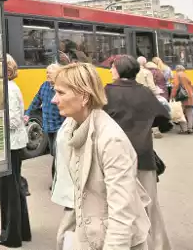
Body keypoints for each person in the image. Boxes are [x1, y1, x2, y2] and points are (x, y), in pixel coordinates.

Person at [51, 63, 150, 250]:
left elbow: (122, 212)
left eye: (61, 93)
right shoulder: (72, 128)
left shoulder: (111, 140)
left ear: (84, 97)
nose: (54, 100)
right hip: (90, 236)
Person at [104, 55, 172, 250]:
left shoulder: (108, 92)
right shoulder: (145, 92)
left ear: (118, 70)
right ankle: (158, 245)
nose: (110, 71)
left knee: (118, 205)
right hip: (144, 156)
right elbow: (164, 120)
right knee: (150, 205)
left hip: (116, 157)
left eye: (112, 67)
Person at [0, 55, 31, 248]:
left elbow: (14, 120)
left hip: (10, 145)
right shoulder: (10, 88)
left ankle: (11, 236)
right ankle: (22, 231)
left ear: (6, 71)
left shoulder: (8, 89)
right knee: (14, 189)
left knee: (10, 192)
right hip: (13, 144)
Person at [24, 63, 64, 182]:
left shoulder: (62, 88)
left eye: (49, 73)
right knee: (54, 153)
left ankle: (57, 182)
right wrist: (27, 113)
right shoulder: (44, 86)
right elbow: (36, 100)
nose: (47, 75)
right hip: (48, 127)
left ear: (57, 74)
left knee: (58, 155)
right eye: (46, 72)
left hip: (60, 126)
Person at [51, 122, 75, 250]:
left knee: (63, 238)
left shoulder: (85, 125)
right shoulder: (71, 121)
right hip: (70, 194)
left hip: (77, 197)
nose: (54, 100)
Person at [171, 65, 193, 134]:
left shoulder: (177, 75)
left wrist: (172, 95)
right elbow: (192, 85)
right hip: (190, 96)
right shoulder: (186, 75)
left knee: (180, 112)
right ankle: (190, 128)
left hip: (181, 97)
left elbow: (176, 86)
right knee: (189, 112)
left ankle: (184, 129)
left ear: (177, 69)